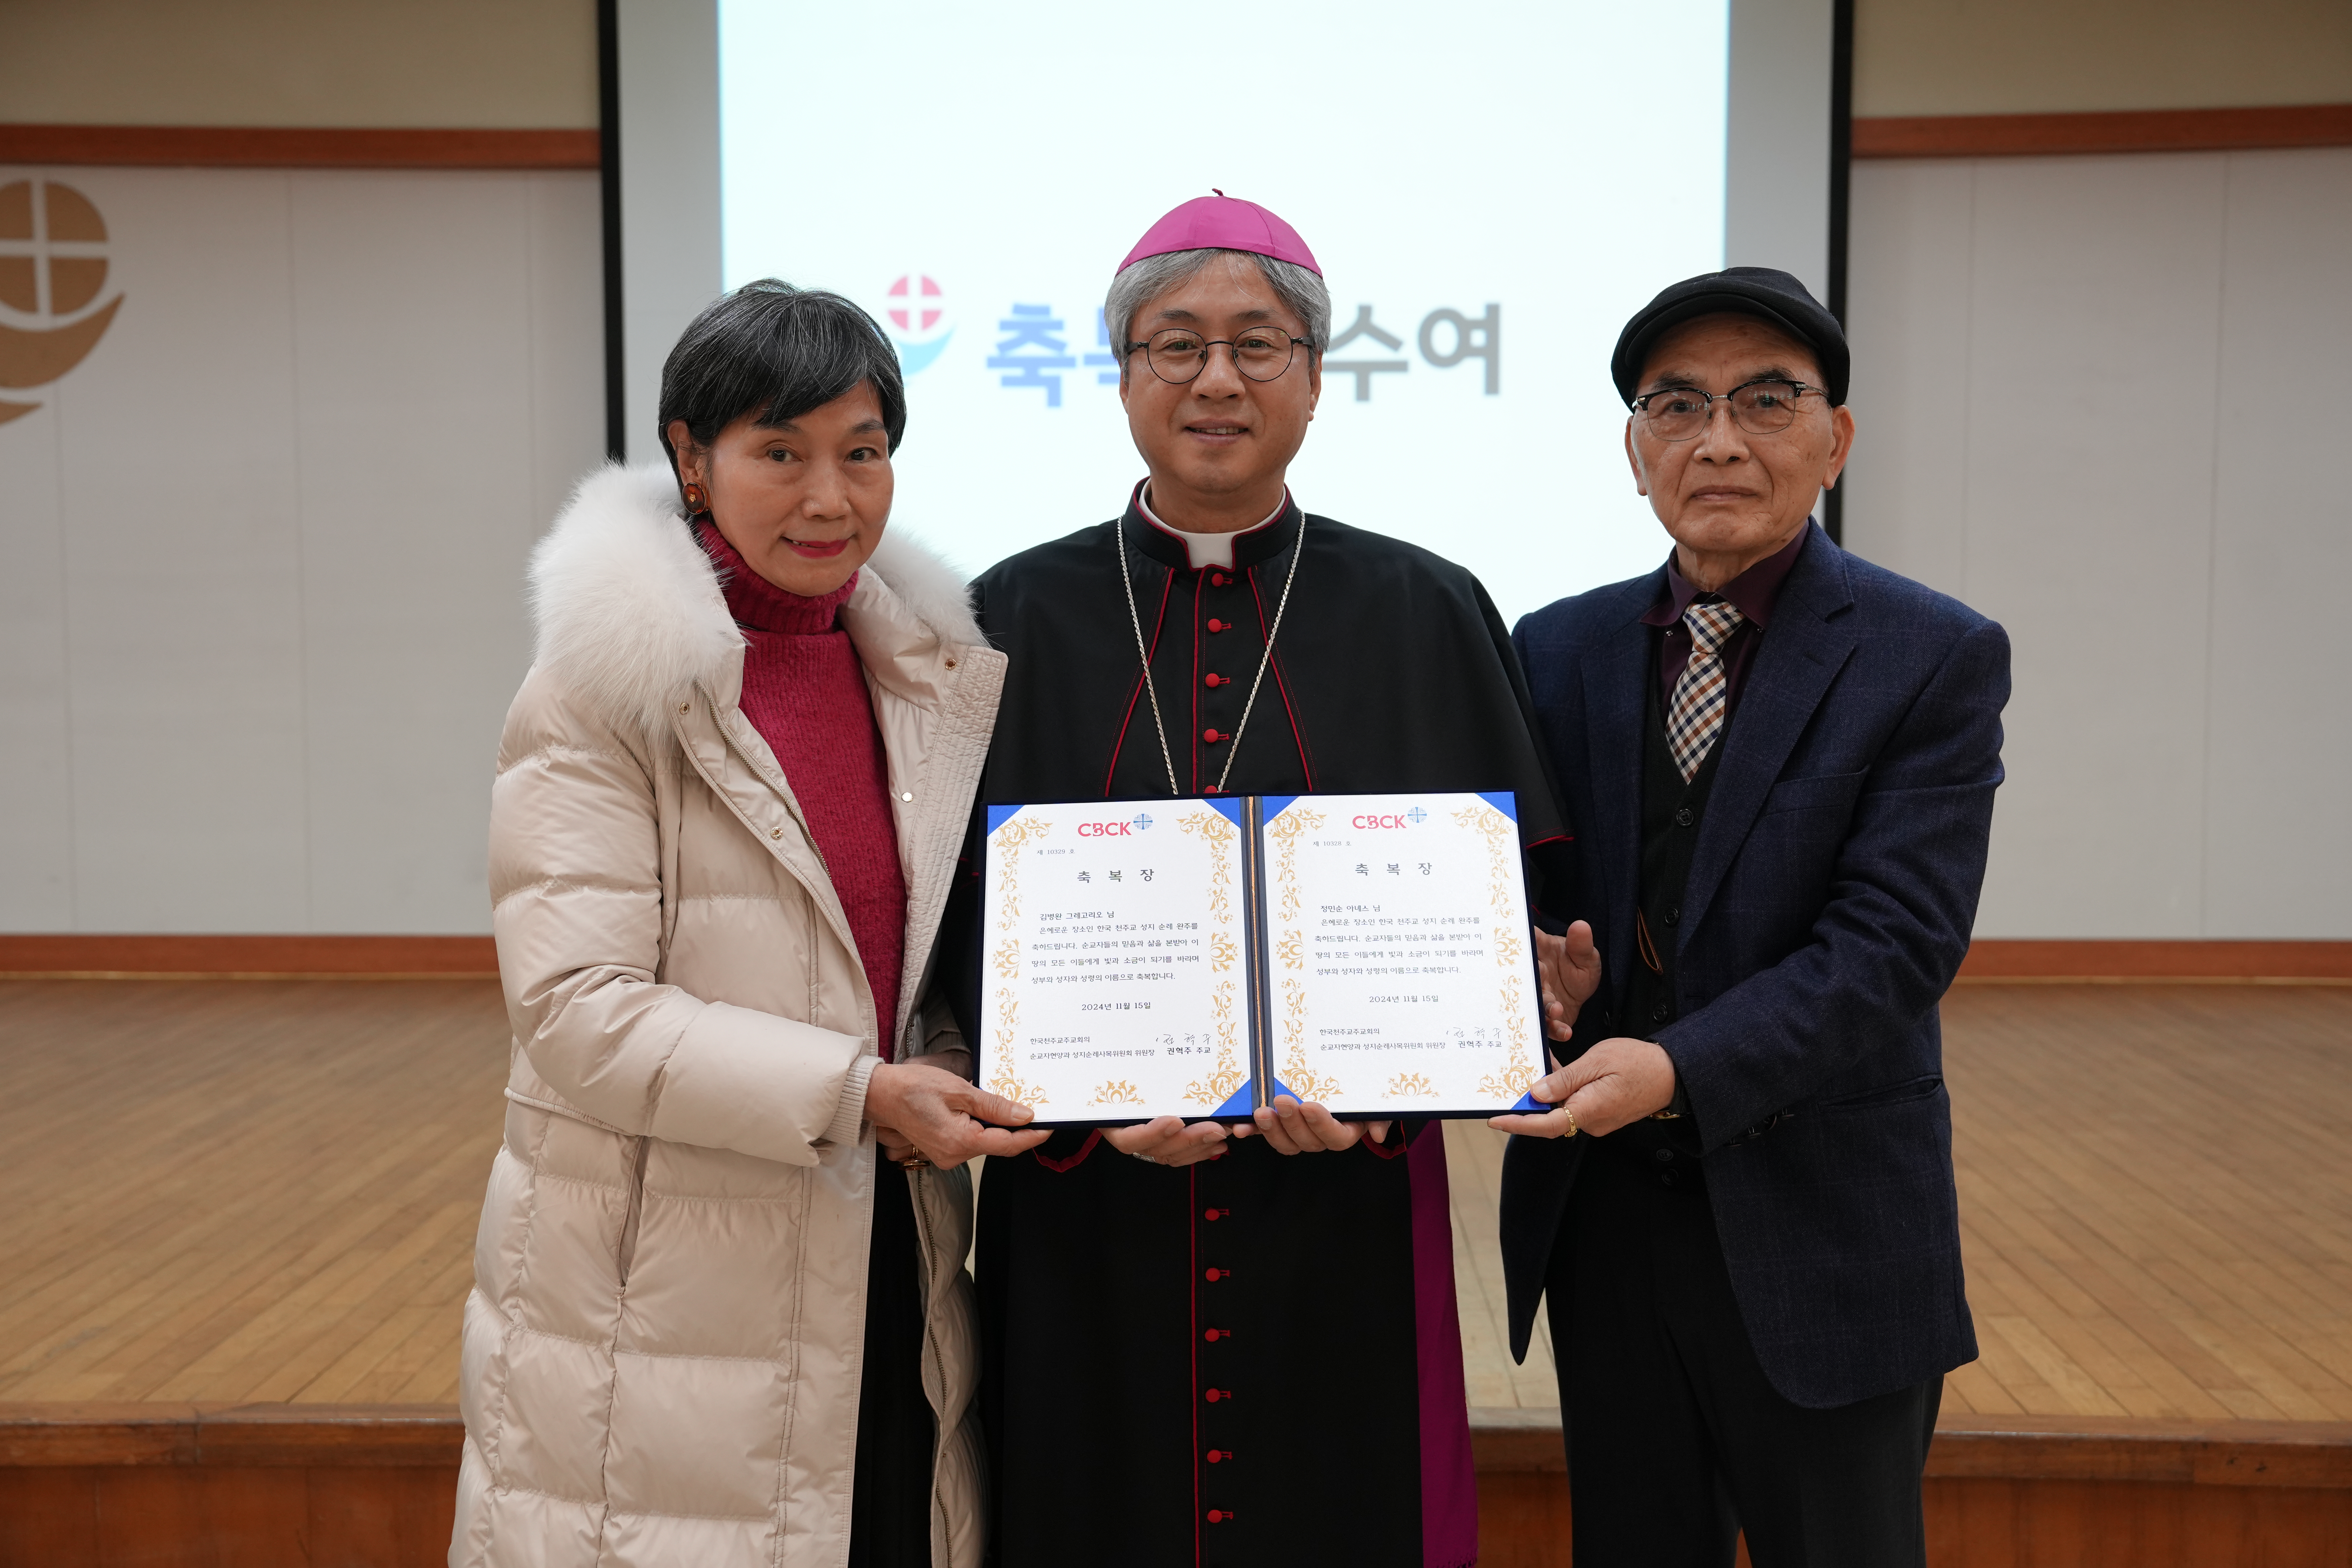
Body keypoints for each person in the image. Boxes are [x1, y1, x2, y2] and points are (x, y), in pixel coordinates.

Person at [939, 194, 1572, 1568]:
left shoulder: (1426, 607)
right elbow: (947, 941)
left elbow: (1505, 918)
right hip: (1086, 1210)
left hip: (1345, 1205)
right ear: (1118, 375)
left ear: (1316, 375)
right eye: (1175, 345)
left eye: (1256, 344)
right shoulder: (1006, 619)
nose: (1216, 378)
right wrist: (1072, 1118)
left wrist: (1491, 1021)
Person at [452, 280, 1047, 1568]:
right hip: (661, 1290)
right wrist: (859, 1090)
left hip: (886, 1245)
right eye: (780, 453)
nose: (830, 499)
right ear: (690, 459)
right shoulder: (603, 686)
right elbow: (576, 1014)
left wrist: (938, 1060)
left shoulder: (922, 675)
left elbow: (910, 963)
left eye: (864, 452)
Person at [1493, 267, 2011, 1566]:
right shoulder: (1555, 649)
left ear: (1835, 438)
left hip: (1822, 1223)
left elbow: (1895, 942)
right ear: (1634, 450)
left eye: (1765, 400)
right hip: (1604, 1227)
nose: (1718, 439)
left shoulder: (1930, 654)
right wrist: (1524, 978)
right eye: (1677, 405)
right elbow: (1520, 900)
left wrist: (1680, 1066)